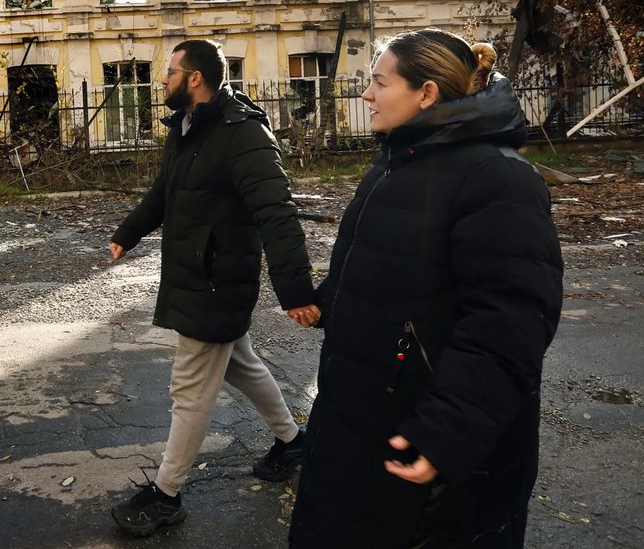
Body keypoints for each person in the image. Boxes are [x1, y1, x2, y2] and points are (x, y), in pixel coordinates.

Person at [289, 29, 563, 548]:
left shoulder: (497, 178)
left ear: (427, 94)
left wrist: (446, 431)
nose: (367, 95)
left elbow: (511, 321)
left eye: (379, 82)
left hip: (427, 437)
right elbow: (390, 265)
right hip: (361, 415)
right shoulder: (396, 161)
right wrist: (329, 301)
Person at [107, 39, 321, 537]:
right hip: (198, 276)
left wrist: (297, 292)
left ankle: (166, 495)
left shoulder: (240, 134)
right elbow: (165, 191)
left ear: (195, 78)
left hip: (215, 283)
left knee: (189, 391)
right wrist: (127, 233)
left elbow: (276, 210)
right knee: (241, 366)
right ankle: (292, 441)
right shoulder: (187, 127)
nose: (163, 80)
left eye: (170, 72)